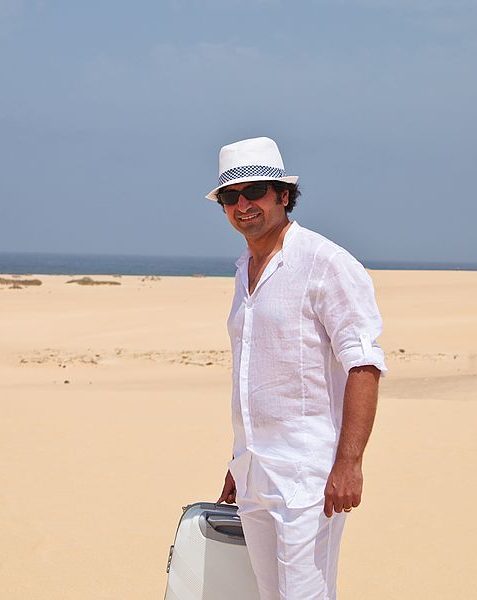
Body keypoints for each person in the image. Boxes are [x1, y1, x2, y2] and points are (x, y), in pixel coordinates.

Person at [209, 136, 386, 599]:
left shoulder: (325, 263)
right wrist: (238, 458)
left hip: (308, 477)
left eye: (255, 192)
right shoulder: (244, 268)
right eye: (231, 196)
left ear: (283, 195)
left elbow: (363, 363)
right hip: (255, 473)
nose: (243, 205)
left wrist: (349, 463)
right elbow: (257, 373)